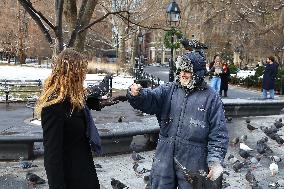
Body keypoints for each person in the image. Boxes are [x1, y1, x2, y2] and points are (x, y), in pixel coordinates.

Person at [127, 52, 229, 188]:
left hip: (194, 158)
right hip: (165, 154)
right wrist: (137, 95)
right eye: (180, 70)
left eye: (187, 71)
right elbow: (151, 99)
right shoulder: (169, 89)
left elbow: (218, 133)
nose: (182, 74)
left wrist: (215, 161)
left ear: (197, 73)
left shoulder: (211, 98)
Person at [34, 48, 124, 189]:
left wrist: (101, 102)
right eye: (81, 72)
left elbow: (81, 104)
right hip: (71, 177)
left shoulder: (73, 97)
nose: (84, 76)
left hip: (84, 168)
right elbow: (52, 156)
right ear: (71, 75)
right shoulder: (53, 108)